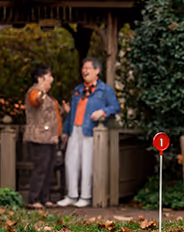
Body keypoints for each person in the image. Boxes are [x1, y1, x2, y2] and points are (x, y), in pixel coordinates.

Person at [56, 57, 121, 208]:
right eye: (83, 68)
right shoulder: (78, 90)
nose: (84, 71)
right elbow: (72, 113)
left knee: (87, 164)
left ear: (97, 71)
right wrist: (65, 131)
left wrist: (103, 112)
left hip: (91, 131)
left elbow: (115, 107)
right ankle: (71, 195)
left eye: (88, 68)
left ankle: (85, 196)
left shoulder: (105, 90)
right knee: (70, 162)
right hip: (75, 129)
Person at [23, 65, 62, 209]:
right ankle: (33, 199)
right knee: (40, 168)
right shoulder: (34, 92)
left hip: (50, 138)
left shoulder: (47, 95)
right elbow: (35, 101)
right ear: (40, 78)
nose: (51, 79)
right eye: (49, 76)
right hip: (39, 137)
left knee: (49, 168)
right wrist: (41, 93)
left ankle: (44, 198)